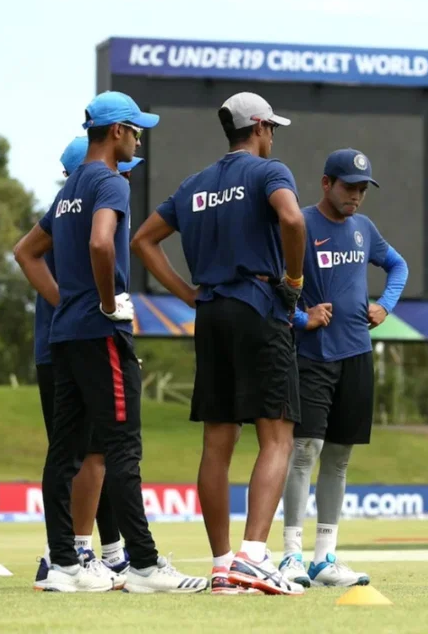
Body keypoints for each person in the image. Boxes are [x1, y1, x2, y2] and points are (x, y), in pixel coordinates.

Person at [14, 91, 206, 593]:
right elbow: (102, 241)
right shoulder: (110, 183)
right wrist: (104, 301)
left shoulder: (70, 188)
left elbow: (26, 252)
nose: (139, 140)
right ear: (117, 131)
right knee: (122, 447)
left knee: (64, 452)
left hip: (66, 336)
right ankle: (143, 564)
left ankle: (64, 564)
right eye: (136, 130)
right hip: (102, 333)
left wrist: (67, 301)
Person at [131, 92, 306, 596]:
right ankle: (253, 556)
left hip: (210, 314)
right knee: (278, 435)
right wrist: (294, 281)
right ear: (260, 127)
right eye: (272, 129)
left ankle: (224, 565)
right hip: (259, 308)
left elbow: (143, 241)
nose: (273, 137)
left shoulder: (193, 185)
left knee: (217, 441)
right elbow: (293, 220)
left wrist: (188, 293)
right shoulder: (269, 172)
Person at [278, 148, 408, 588]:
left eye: (362, 189)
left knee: (339, 457)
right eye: (349, 187)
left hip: (356, 354)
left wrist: (385, 305)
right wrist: (302, 318)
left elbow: (398, 266)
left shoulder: (364, 229)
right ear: (326, 184)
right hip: (312, 356)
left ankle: (324, 559)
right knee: (304, 452)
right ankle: (291, 556)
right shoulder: (299, 224)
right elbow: (273, 283)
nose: (356, 196)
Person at [19, 137, 144, 591]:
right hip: (80, 341)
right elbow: (96, 247)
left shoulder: (64, 209)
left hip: (58, 343)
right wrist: (95, 305)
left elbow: (24, 252)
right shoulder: (90, 206)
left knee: (81, 453)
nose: (125, 174)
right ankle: (75, 552)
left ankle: (97, 552)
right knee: (91, 454)